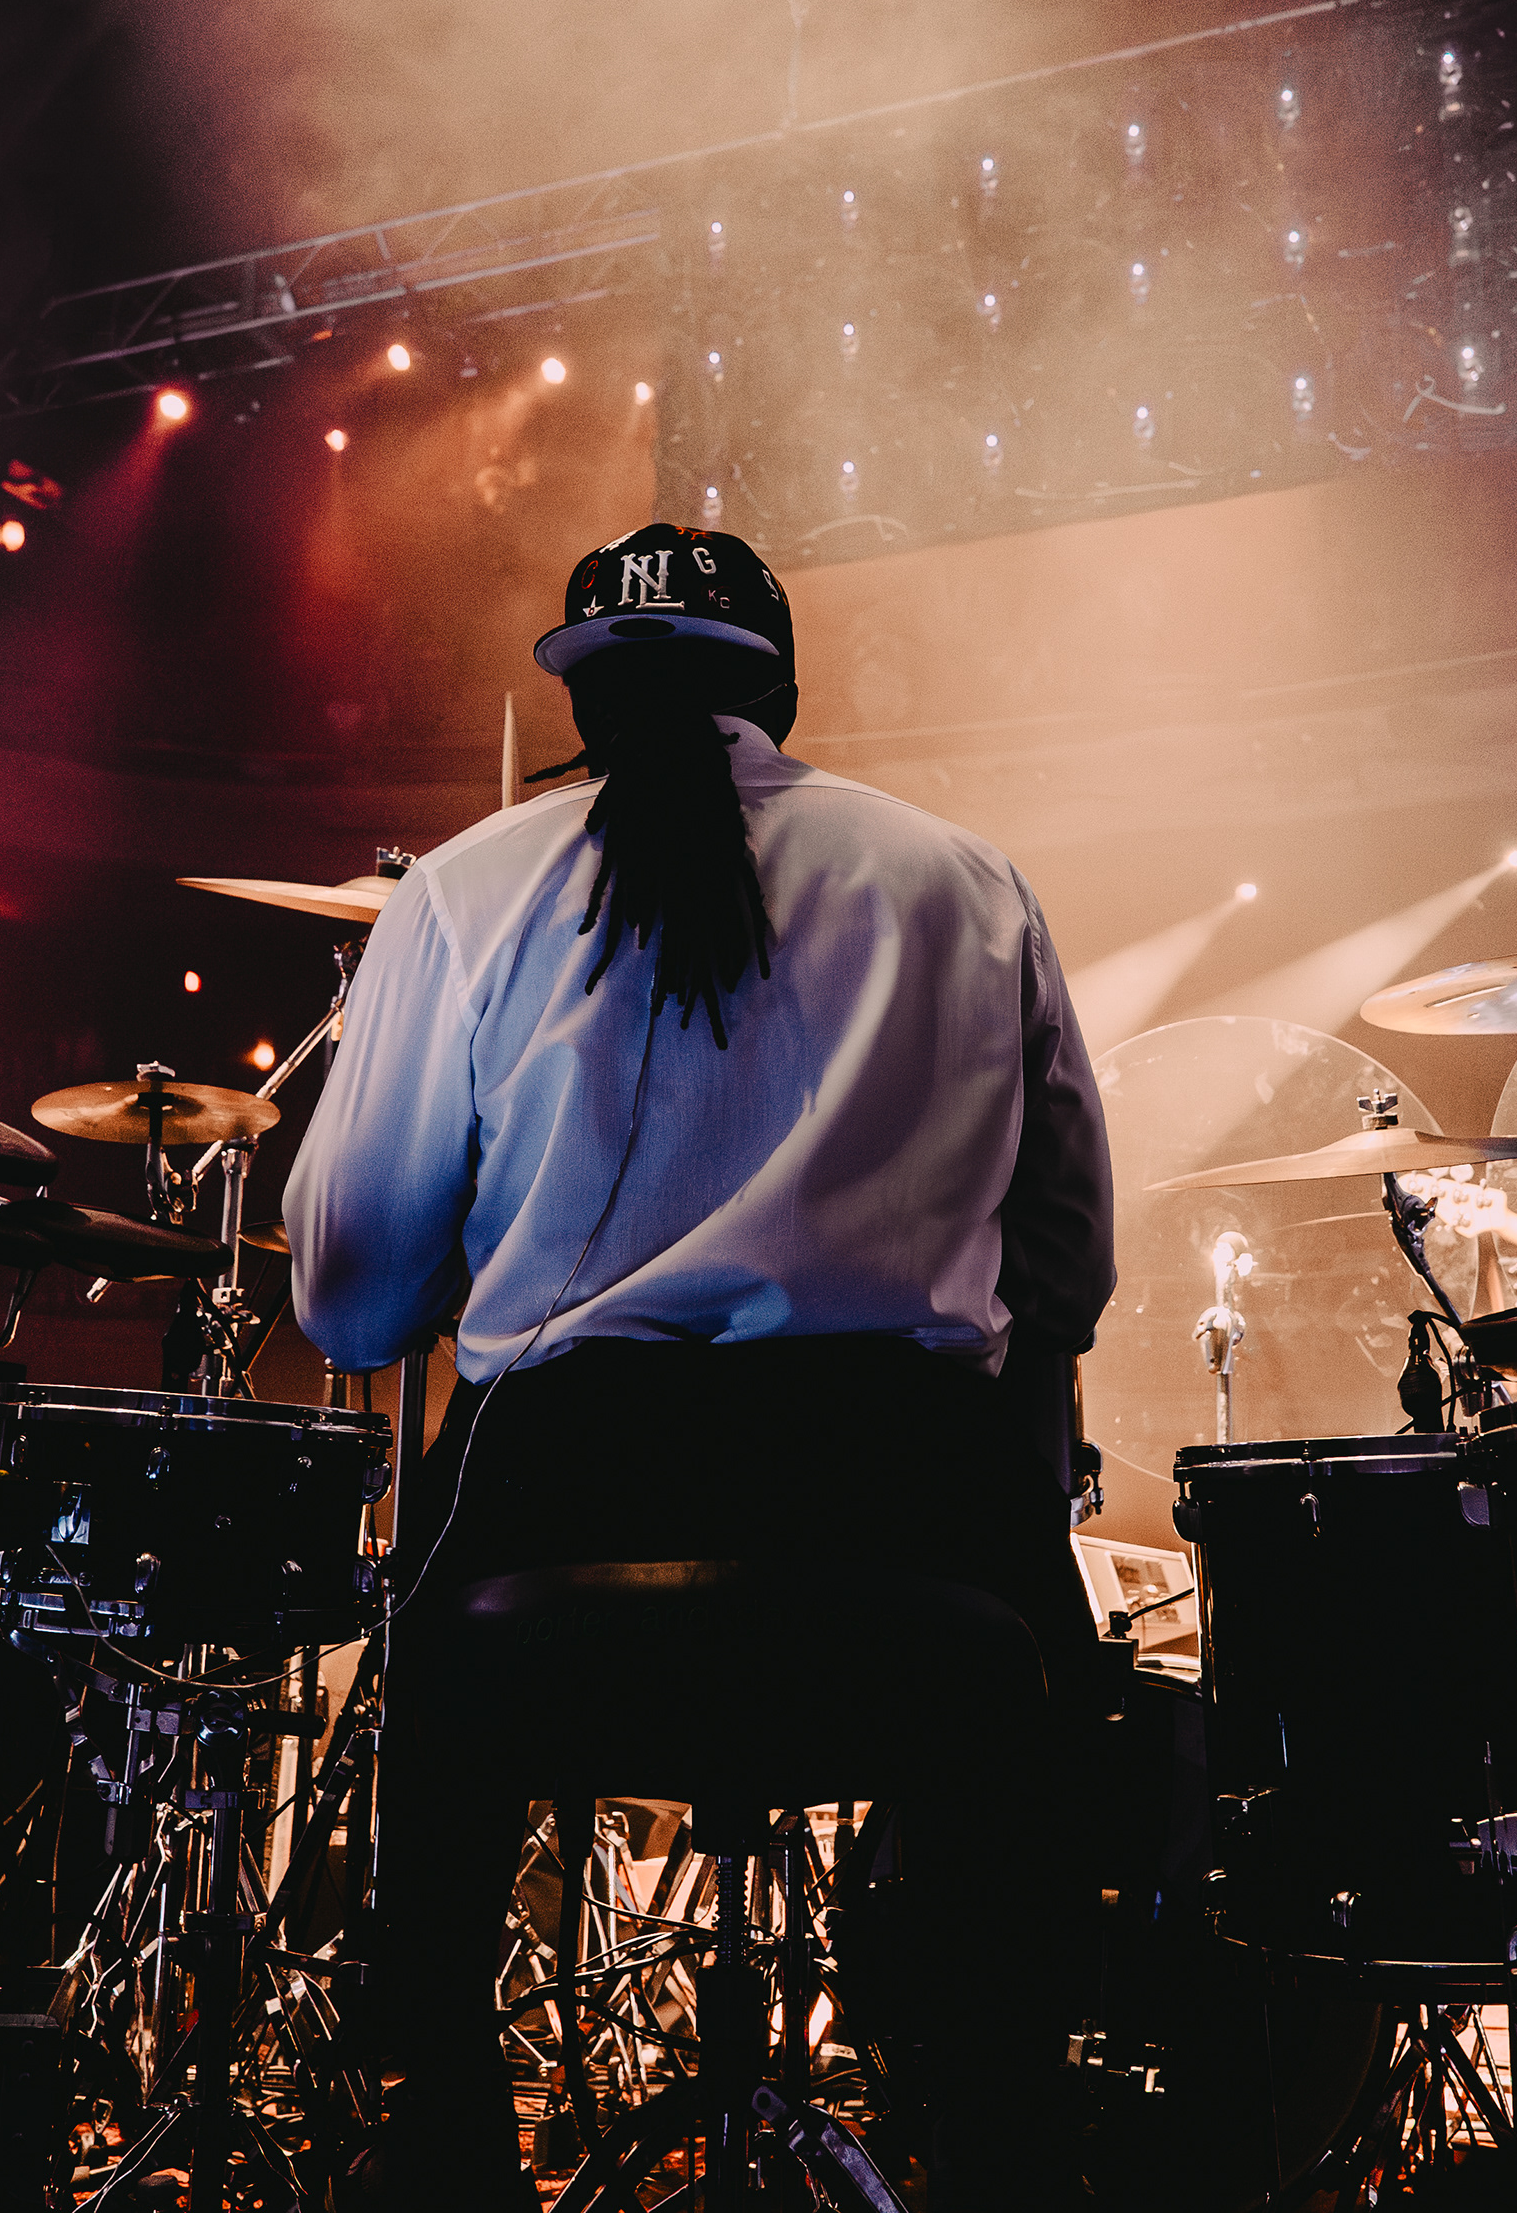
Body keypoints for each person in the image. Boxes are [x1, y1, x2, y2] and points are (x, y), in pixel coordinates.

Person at [289, 522, 1115, 2207]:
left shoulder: (462, 892)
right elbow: (1069, 1269)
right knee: (1048, 1730)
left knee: (420, 1664)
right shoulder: (969, 882)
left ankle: (443, 2135)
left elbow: (353, 1307)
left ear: (583, 706)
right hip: (910, 1504)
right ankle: (1005, 2130)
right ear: (781, 693)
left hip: (566, 1496)